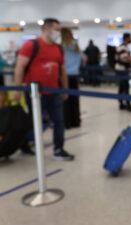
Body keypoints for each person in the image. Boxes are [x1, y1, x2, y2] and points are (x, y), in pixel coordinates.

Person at [13, 18, 74, 161]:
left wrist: (65, 89)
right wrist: (18, 88)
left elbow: (62, 70)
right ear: (46, 29)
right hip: (35, 93)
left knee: (59, 121)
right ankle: (24, 144)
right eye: (56, 29)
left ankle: (58, 149)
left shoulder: (58, 48)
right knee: (34, 122)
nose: (58, 33)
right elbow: (20, 67)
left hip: (54, 92)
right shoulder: (31, 45)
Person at [61, 27, 82, 129]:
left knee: (65, 100)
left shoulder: (61, 47)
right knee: (75, 99)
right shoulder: (76, 45)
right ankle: (76, 121)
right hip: (75, 75)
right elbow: (82, 58)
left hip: (64, 75)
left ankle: (67, 122)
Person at [115, 32, 131, 111]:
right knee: (125, 87)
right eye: (130, 37)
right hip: (121, 70)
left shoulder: (125, 47)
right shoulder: (122, 47)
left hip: (122, 69)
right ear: (127, 38)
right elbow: (125, 58)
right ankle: (128, 104)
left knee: (122, 87)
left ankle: (121, 103)